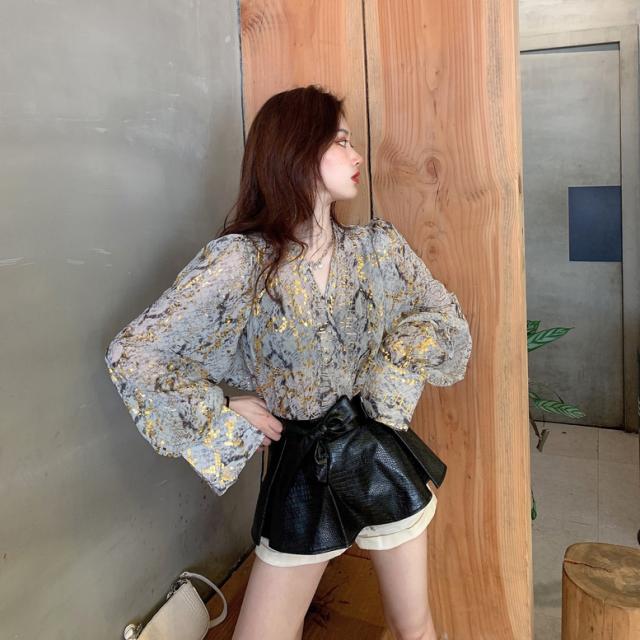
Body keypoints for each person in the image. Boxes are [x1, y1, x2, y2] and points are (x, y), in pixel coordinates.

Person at [105, 85, 472, 640]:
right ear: (297, 150)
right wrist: (222, 404)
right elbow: (135, 353)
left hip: (377, 453)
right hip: (301, 467)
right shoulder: (242, 262)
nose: (356, 155)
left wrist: (396, 363)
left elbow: (445, 322)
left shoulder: (378, 249)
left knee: (415, 628)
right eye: (341, 141)